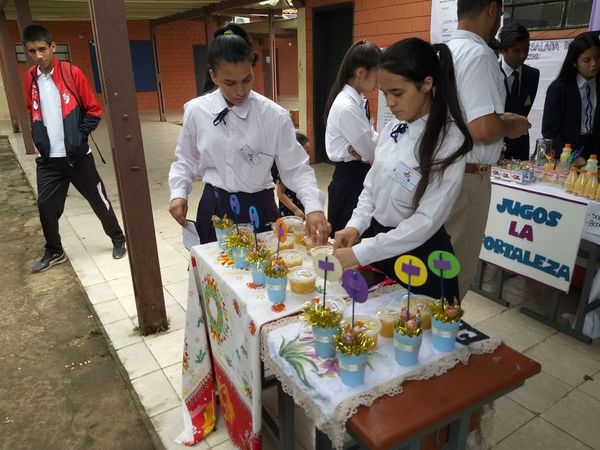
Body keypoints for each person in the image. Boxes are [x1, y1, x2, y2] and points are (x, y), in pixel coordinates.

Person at [333, 38, 473, 300]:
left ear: (426, 85)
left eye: (397, 93)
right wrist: (355, 225)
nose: (390, 103)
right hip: (382, 249)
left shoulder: (449, 140)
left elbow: (425, 222)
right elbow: (371, 187)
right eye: (385, 93)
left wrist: (362, 252)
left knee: (415, 332)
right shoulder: (392, 129)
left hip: (419, 254)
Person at [168, 24, 328, 243]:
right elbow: (186, 159)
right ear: (213, 76)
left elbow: (296, 168)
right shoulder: (197, 111)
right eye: (230, 83)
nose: (241, 91)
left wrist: (314, 207)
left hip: (259, 209)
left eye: (247, 79)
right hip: (215, 208)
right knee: (216, 273)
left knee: (262, 274)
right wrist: (179, 193)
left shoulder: (273, 116)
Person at [22, 24, 126, 273]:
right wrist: (40, 139)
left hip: (77, 157)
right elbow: (32, 110)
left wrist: (78, 137)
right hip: (48, 159)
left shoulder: (71, 73)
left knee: (99, 201)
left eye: (42, 49)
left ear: (53, 47)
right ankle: (54, 251)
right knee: (46, 207)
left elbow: (93, 110)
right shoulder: (30, 78)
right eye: (32, 51)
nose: (38, 56)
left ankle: (118, 238)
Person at [445, 0, 531, 300]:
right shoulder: (479, 54)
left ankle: (427, 328)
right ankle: (441, 333)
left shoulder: (445, 50)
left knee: (439, 259)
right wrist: (510, 125)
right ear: (492, 9)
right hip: (468, 177)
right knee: (455, 267)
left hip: (444, 170)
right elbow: (482, 128)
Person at [324, 41, 381, 235]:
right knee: (346, 241)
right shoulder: (347, 106)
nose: (378, 80)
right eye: (377, 72)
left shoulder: (358, 101)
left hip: (355, 175)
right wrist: (372, 147)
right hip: (349, 179)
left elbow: (370, 139)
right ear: (360, 72)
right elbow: (371, 150)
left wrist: (373, 145)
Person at [542, 32, 600, 161]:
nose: (594, 64)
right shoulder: (559, 88)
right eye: (587, 60)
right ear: (574, 62)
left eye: (597, 58)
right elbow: (549, 131)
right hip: (567, 153)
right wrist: (571, 156)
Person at [499, 23, 540, 161]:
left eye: (526, 49)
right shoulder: (492, 74)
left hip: (521, 146)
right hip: (497, 144)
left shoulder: (533, 75)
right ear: (504, 50)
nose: (523, 55)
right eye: (517, 51)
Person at [272, 131, 310, 218]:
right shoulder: (286, 169)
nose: (308, 156)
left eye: (309, 152)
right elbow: (280, 193)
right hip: (290, 211)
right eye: (306, 152)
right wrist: (295, 210)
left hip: (303, 208)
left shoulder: (304, 168)